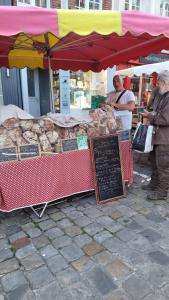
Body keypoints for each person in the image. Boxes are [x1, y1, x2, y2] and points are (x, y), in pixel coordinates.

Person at [141, 70, 169, 201]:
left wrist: (150, 117)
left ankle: (162, 192)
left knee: (163, 166)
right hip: (158, 136)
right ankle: (154, 184)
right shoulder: (163, 95)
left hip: (165, 139)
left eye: (159, 82)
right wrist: (152, 115)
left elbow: (164, 119)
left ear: (164, 82)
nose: (158, 84)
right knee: (155, 163)